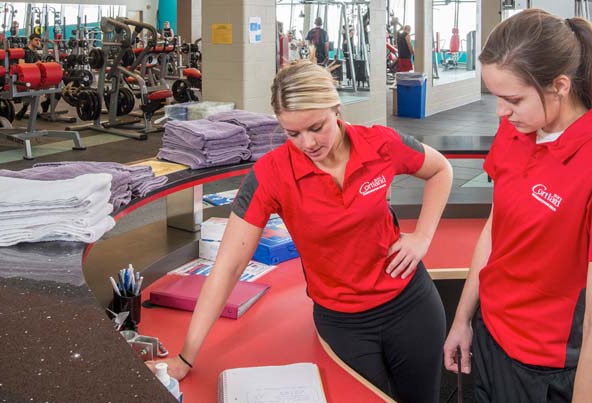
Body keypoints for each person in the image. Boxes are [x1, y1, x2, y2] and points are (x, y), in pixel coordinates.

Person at [146, 60, 453, 403]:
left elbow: (440, 169)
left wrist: (422, 237)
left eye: (316, 127)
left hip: (411, 306)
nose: (308, 143)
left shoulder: (380, 143)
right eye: (293, 133)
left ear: (336, 108)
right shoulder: (271, 175)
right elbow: (228, 269)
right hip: (344, 324)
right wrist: (186, 357)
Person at [443, 9, 592, 403]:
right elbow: (496, 228)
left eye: (513, 99)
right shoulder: (515, 129)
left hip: (547, 369)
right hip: (491, 340)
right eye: (496, 98)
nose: (500, 113)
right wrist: (462, 319)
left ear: (559, 85)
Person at [15, 34, 51, 120]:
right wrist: (35, 64)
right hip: (25, 78)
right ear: (30, 41)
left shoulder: (36, 54)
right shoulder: (23, 51)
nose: (38, 42)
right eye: (36, 40)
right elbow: (21, 65)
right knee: (32, 86)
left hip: (35, 77)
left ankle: (46, 103)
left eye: (39, 40)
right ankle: (25, 107)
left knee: (55, 84)